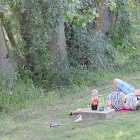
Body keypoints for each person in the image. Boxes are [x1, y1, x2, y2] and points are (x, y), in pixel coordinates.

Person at [69, 78, 140, 115]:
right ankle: (74, 112)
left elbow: (136, 92)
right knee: (95, 108)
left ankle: (74, 112)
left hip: (116, 96)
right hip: (116, 105)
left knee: (116, 81)